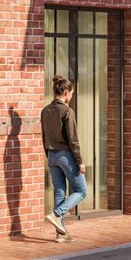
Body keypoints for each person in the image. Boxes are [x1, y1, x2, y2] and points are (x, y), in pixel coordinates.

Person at [41, 75, 86, 241]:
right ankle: (57, 214)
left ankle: (61, 234)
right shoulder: (67, 111)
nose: (71, 96)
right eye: (71, 93)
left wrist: (49, 155)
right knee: (82, 191)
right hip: (66, 156)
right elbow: (73, 139)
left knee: (60, 192)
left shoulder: (45, 110)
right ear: (66, 92)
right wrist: (80, 161)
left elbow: (44, 136)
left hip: (51, 155)